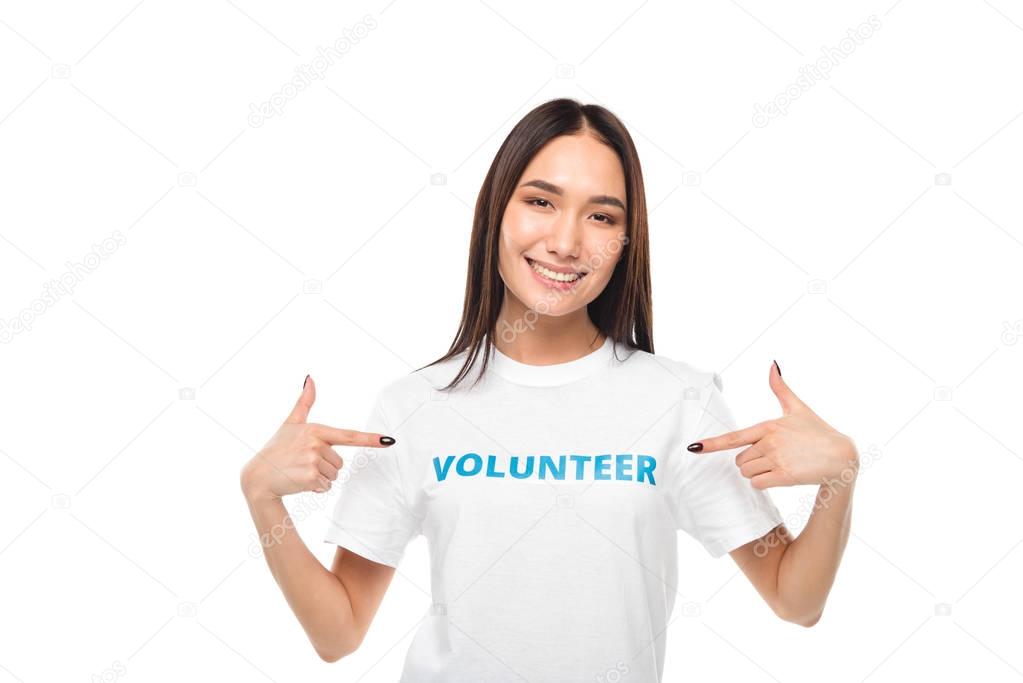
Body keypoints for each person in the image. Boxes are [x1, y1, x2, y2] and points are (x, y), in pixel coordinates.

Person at [239, 98, 859, 681]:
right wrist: (263, 497)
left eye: (601, 216)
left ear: (625, 241)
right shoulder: (413, 406)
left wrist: (839, 478)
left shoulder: (679, 401)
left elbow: (793, 600)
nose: (566, 242)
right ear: (496, 211)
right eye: (541, 202)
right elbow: (339, 633)